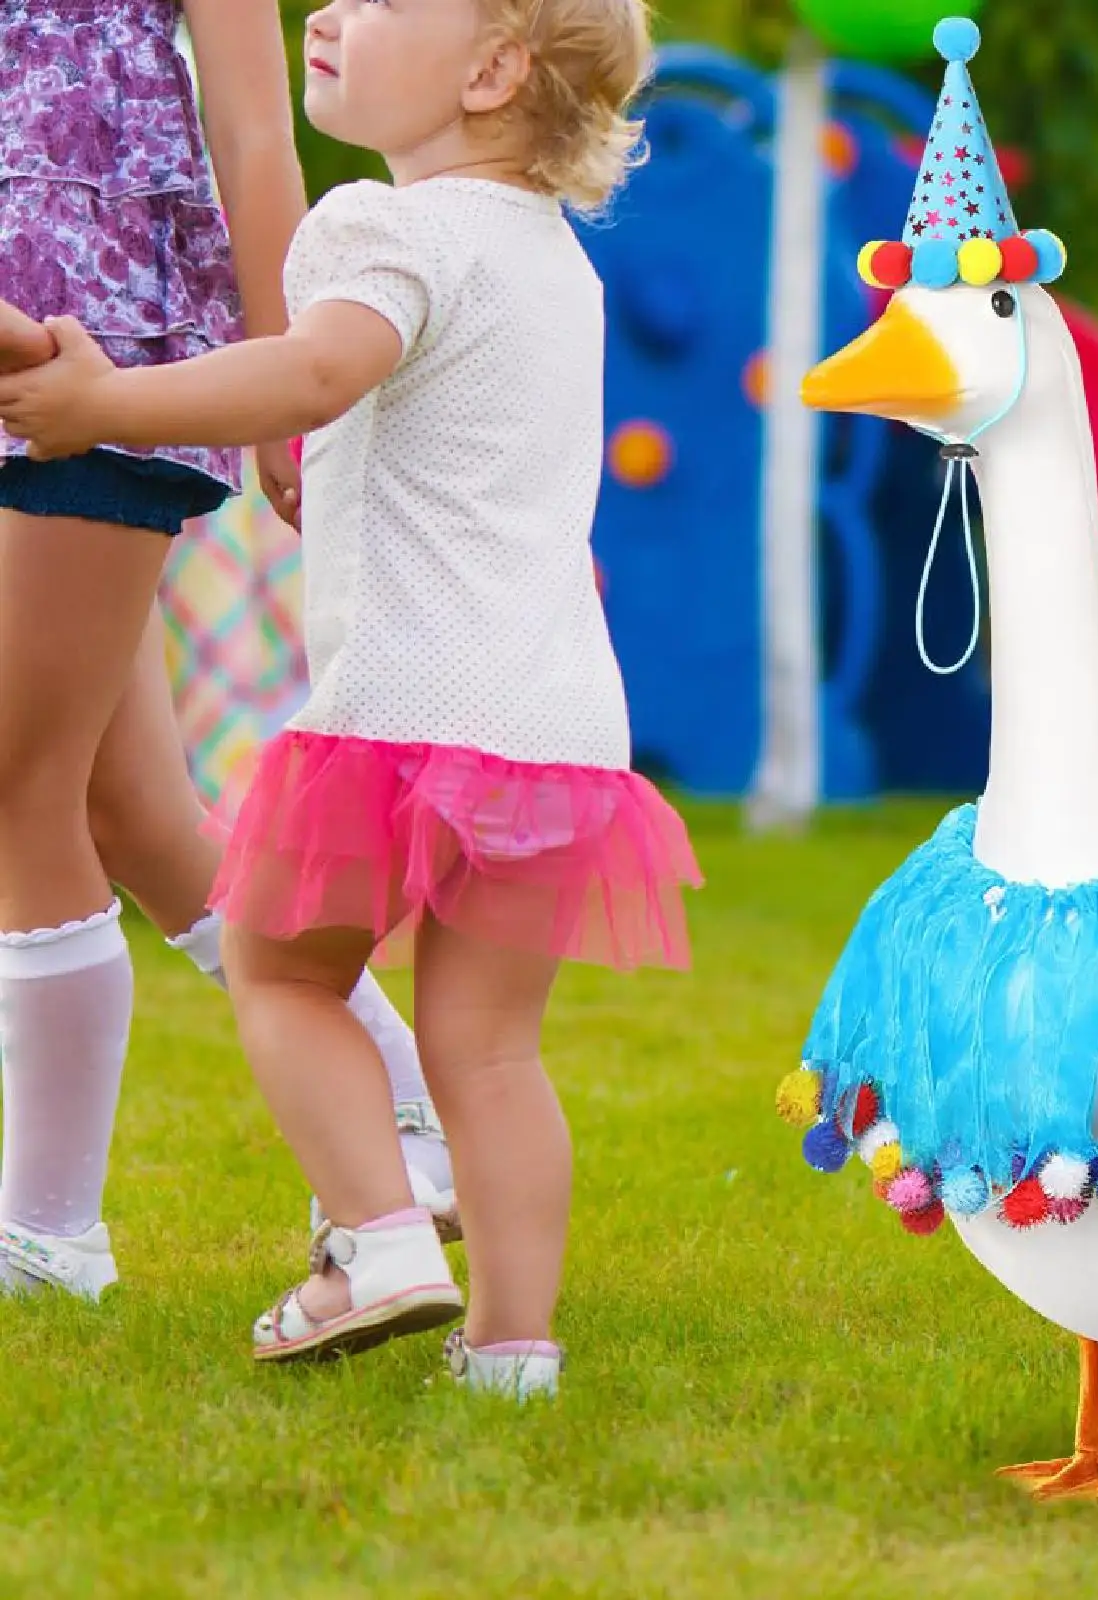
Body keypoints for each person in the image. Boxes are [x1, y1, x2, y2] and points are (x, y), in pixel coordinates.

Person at [0, 0, 701, 1401]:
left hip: (398, 719)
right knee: (490, 1055)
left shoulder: (382, 230)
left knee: (281, 973)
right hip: (556, 734)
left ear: (492, 73)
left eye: (379, 2)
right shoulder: (558, 261)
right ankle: (512, 1353)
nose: (328, 11)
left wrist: (108, 407)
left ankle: (376, 1241)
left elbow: (314, 372)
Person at [0, 0, 457, 1305]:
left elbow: (256, 130)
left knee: (18, 786)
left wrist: (277, 394)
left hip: (95, 334)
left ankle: (47, 1238)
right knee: (134, 815)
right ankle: (409, 1121)